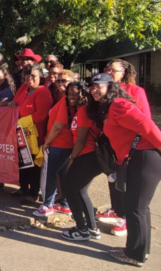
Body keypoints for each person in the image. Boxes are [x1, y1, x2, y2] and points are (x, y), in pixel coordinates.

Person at [87, 73, 161, 267]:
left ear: (110, 87)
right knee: (138, 207)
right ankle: (138, 252)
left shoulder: (119, 104)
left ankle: (134, 255)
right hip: (137, 158)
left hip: (144, 158)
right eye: (91, 86)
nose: (93, 89)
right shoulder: (110, 108)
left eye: (98, 85)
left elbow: (148, 126)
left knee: (136, 208)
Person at [96, 58, 152, 236]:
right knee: (113, 178)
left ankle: (126, 219)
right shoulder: (106, 90)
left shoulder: (135, 91)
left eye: (112, 70)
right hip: (110, 144)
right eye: (107, 69)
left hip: (130, 147)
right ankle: (117, 208)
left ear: (124, 73)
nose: (108, 71)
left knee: (128, 183)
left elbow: (145, 119)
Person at [59, 81, 102, 241]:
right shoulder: (81, 110)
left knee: (69, 189)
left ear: (84, 93)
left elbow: (81, 140)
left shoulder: (85, 111)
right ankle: (92, 228)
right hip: (88, 157)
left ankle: (82, 230)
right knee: (81, 191)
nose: (71, 96)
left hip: (87, 156)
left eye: (74, 93)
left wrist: (72, 159)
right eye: (69, 94)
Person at [32, 70, 76, 217]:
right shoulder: (65, 99)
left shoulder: (65, 101)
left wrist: (47, 142)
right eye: (58, 81)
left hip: (59, 143)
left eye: (64, 81)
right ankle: (64, 204)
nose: (61, 84)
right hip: (63, 144)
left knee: (51, 174)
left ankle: (47, 205)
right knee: (62, 175)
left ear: (73, 81)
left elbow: (58, 125)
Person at [8, 63, 53, 204]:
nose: (30, 79)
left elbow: (41, 115)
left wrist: (21, 121)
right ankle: (23, 188)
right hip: (21, 133)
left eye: (33, 76)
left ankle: (34, 193)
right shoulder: (23, 88)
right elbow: (15, 102)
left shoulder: (43, 92)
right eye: (27, 76)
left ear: (40, 77)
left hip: (35, 135)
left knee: (33, 165)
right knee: (22, 162)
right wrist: (11, 104)